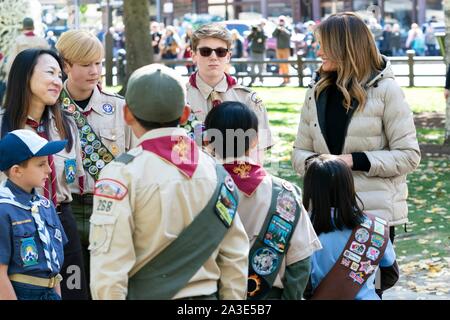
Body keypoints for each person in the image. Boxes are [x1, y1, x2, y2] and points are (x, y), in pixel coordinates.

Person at [89, 64, 249, 300]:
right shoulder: (216, 172)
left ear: (127, 114)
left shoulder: (121, 174)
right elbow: (235, 256)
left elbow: (109, 266)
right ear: (185, 114)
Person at [292, 12, 420, 278]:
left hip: (372, 218)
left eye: (323, 44)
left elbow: (409, 156)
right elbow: (299, 152)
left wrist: (352, 161)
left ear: (344, 47)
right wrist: (319, 166)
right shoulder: (315, 92)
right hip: (323, 218)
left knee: (367, 294)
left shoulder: (387, 91)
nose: (317, 51)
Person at [204, 101, 321, 300]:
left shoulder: (200, 189)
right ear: (255, 140)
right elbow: (300, 262)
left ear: (207, 140)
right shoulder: (286, 193)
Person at [0, 48, 88, 300]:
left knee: (73, 293)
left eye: (60, 75)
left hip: (60, 220)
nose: (57, 81)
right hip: (15, 226)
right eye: (49, 72)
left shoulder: (67, 125)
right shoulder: (2, 125)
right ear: (25, 76)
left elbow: (71, 180)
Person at [55, 30, 134, 290]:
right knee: (73, 286)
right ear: (66, 65)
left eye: (98, 63)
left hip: (110, 208)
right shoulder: (50, 110)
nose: (95, 71)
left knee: (109, 284)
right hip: (66, 210)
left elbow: (136, 159)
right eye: (86, 64)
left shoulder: (120, 109)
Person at [302, 155, 399, 300]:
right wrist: (367, 287)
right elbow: (390, 274)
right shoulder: (375, 228)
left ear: (311, 189)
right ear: (349, 186)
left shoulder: (303, 231)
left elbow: (303, 283)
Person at [185, 23, 273, 165]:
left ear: (228, 56)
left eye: (220, 51)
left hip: (239, 181)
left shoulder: (248, 99)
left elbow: (257, 153)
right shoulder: (181, 99)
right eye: (206, 51)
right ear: (193, 55)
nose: (213, 57)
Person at [0, 129, 68, 300]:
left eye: (47, 163)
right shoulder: (4, 210)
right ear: (17, 171)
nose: (49, 170)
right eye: (40, 164)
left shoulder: (46, 206)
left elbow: (54, 265)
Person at [272, 16, 292, 85]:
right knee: (281, 65)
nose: (281, 22)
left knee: (285, 64)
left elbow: (289, 35)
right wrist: (277, 28)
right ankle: (284, 79)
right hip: (278, 49)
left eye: (282, 20)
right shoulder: (277, 28)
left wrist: (283, 29)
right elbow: (273, 35)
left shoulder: (288, 27)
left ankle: (287, 79)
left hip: (285, 48)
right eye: (280, 20)